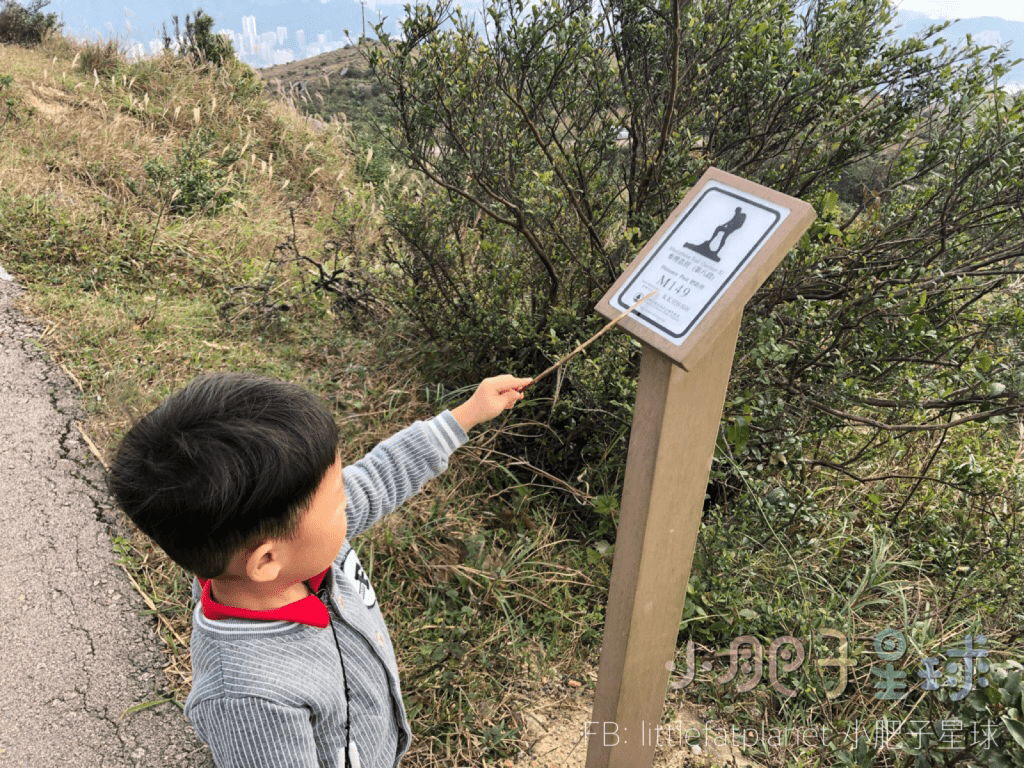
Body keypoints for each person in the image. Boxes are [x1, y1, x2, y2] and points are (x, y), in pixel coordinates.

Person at [108, 371, 530, 767]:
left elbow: (378, 478)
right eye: (337, 500)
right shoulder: (246, 697)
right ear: (267, 560)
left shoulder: (297, 549)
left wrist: (467, 414)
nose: (350, 497)